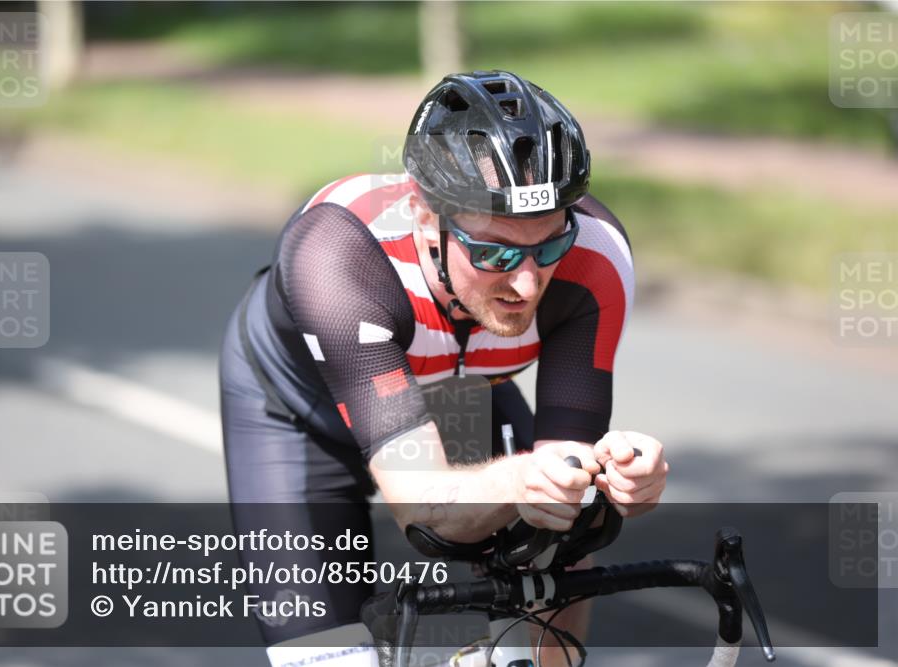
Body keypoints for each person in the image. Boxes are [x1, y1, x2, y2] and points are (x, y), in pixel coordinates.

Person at [220, 70, 669, 666]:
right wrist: (518, 480)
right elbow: (424, 508)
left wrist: (614, 482)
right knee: (327, 656)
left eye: (549, 245)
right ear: (424, 213)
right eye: (494, 251)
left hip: (461, 394)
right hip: (302, 415)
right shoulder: (337, 254)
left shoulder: (597, 259)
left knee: (557, 547)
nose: (527, 282)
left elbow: (563, 494)